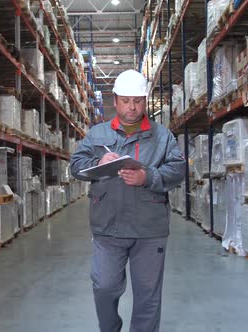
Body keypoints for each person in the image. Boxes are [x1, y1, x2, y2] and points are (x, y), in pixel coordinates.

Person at [70, 69, 185, 332]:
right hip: (108, 226)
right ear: (115, 101)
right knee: (104, 286)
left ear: (145, 101)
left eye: (138, 100)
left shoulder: (162, 136)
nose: (132, 107)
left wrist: (148, 177)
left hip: (149, 228)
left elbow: (177, 170)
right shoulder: (98, 135)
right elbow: (75, 165)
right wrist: (98, 161)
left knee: (148, 296)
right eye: (125, 101)